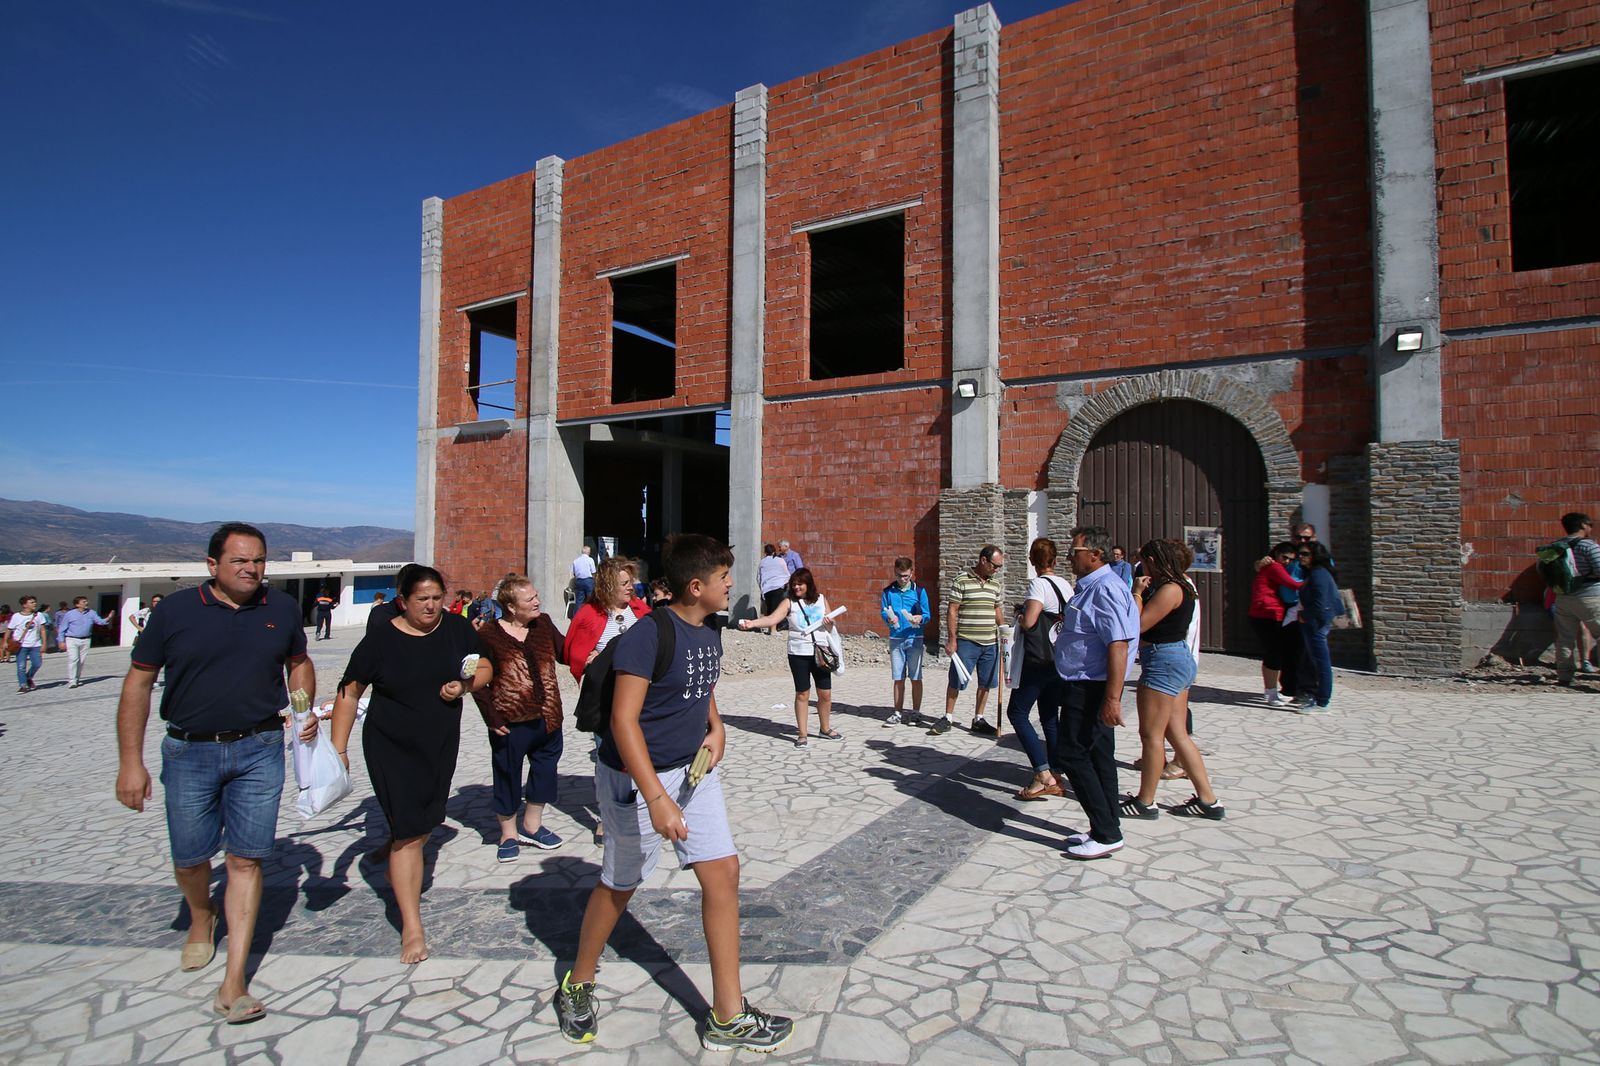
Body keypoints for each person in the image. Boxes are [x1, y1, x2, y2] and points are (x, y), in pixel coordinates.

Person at [555, 535, 794, 1053]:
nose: (732, 584)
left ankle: (727, 1016)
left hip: (693, 771)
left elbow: (701, 684)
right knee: (621, 882)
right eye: (724, 578)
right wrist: (656, 798)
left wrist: (716, 725)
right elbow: (622, 721)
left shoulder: (710, 628)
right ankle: (578, 980)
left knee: (723, 872)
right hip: (636, 778)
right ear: (695, 586)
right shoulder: (647, 635)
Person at [114, 522, 318, 1024]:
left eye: (259, 561)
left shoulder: (281, 608)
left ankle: (234, 982)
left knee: (246, 861)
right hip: (189, 752)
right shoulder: (176, 612)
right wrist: (130, 762)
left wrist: (302, 708)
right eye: (240, 561)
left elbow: (299, 662)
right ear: (213, 565)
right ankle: (201, 917)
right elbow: (138, 684)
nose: (252, 569)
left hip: (260, 747)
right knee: (189, 857)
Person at [330, 564, 493, 964]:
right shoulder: (381, 640)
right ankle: (411, 925)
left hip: (438, 743)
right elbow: (350, 692)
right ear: (402, 601)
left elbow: (486, 666)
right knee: (409, 832)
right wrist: (338, 749)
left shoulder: (456, 629)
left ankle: (397, 851)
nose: (431, 606)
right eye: (422, 599)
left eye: (437, 598)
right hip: (390, 745)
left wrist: (465, 685)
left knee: (426, 823)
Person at [1121, 539, 1225, 822]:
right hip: (1176, 659)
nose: (1141, 566)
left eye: (1144, 560)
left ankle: (1145, 801)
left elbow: (1138, 625)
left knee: (1151, 735)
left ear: (1154, 561)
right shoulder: (1185, 586)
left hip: (1163, 661)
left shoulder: (1169, 590)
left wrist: (1137, 593)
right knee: (1177, 733)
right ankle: (1208, 800)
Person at [1053, 526, 1140, 860]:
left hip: (1090, 686)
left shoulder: (1104, 588)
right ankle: (1106, 827)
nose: (1070, 557)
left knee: (1072, 753)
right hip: (1084, 682)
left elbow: (1118, 644)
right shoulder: (1092, 587)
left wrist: (1112, 698)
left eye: (1075, 552)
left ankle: (1105, 831)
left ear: (1095, 554)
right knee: (1099, 756)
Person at [472, 574, 567, 862]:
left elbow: (566, 652)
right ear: (512, 607)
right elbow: (475, 681)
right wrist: (491, 715)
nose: (538, 601)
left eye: (537, 596)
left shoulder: (544, 624)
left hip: (549, 717)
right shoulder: (487, 635)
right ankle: (508, 833)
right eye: (531, 599)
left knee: (545, 771)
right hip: (509, 721)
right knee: (507, 773)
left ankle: (532, 825)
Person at [741, 567, 842, 745]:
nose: (796, 587)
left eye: (800, 584)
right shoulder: (789, 602)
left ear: (808, 584)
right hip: (798, 653)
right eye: (794, 584)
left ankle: (825, 728)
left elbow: (830, 623)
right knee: (802, 693)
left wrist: (830, 623)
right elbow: (772, 619)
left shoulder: (821, 599)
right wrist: (752, 624)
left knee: (825, 693)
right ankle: (802, 734)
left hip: (821, 651)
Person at [1007, 538, 1072, 800]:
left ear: (1032, 561)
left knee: (1018, 713)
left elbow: (1031, 621)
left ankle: (1042, 773)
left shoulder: (1039, 584)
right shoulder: (1065, 585)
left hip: (1038, 660)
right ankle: (1056, 768)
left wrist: (1021, 615)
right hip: (1059, 657)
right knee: (1049, 716)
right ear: (1055, 560)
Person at [930, 545, 1006, 737]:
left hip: (990, 643)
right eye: (995, 566)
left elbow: (997, 609)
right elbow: (953, 610)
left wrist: (1005, 632)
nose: (996, 570)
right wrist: (952, 639)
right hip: (966, 641)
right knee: (956, 679)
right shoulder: (961, 580)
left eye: (999, 567)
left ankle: (978, 719)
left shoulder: (995, 584)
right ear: (983, 560)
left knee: (986, 682)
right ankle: (948, 717)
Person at [567, 558, 650, 682]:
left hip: (639, 681)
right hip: (605, 685)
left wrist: (604, 656)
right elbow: (577, 656)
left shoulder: (639, 607)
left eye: (630, 582)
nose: (631, 588)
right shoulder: (588, 613)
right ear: (608, 587)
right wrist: (593, 659)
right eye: (624, 584)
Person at [1249, 543, 1305, 706]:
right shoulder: (1274, 567)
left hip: (1265, 614)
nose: (1287, 561)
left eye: (1290, 559)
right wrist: (1317, 581)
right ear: (1276, 554)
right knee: (1274, 653)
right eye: (1284, 557)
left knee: (1272, 653)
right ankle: (1271, 693)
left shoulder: (1269, 566)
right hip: (1268, 614)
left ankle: (1270, 691)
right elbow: (1293, 584)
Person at [1552, 512, 1600, 686]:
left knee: (1565, 638)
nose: (1591, 528)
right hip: (1590, 596)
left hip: (1563, 598)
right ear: (1582, 525)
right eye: (1590, 524)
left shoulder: (1556, 545)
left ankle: (1564, 676)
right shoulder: (1588, 545)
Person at [880, 557, 930, 725]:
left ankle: (915, 712)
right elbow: (883, 611)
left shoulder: (919, 591)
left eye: (906, 576)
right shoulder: (888, 592)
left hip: (915, 637)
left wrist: (919, 618)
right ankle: (897, 712)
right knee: (898, 677)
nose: (902, 579)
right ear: (895, 573)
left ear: (911, 573)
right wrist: (889, 618)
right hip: (896, 638)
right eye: (899, 576)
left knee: (915, 676)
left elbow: (927, 615)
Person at [1295, 541, 1342, 712]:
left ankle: (1322, 700)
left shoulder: (1318, 574)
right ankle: (1320, 698)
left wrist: (1304, 616)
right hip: (1315, 621)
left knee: (1321, 662)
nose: (1301, 557)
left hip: (1316, 623)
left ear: (1315, 556)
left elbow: (1320, 603)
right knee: (1317, 660)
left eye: (1306, 554)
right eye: (1300, 554)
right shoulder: (1315, 573)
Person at [58, 595, 114, 688]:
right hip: (72, 639)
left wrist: (108, 617)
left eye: (86, 601)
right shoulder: (70, 614)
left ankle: (77, 678)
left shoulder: (91, 613)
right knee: (73, 659)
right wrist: (61, 641)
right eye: (83, 602)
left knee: (81, 661)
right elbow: (62, 628)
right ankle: (72, 681)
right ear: (77, 604)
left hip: (86, 639)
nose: (86, 603)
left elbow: (100, 622)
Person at [8, 596, 47, 692]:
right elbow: (9, 629)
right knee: (21, 666)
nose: (35, 604)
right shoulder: (16, 616)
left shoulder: (39, 615)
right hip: (21, 645)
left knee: (37, 664)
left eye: (35, 602)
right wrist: (5, 641)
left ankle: (28, 677)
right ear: (25, 605)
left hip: (35, 644)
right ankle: (23, 685)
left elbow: (42, 630)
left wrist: (44, 643)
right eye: (32, 602)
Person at [756, 543, 790, 633]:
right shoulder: (780, 560)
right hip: (778, 587)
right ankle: (773, 630)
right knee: (775, 608)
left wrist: (762, 587)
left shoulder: (762, 562)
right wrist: (784, 584)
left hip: (766, 588)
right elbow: (787, 574)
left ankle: (770, 628)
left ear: (765, 552)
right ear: (774, 551)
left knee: (770, 608)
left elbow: (759, 577)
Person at [572, 546, 597, 613]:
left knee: (579, 600)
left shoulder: (575, 561)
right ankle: (591, 614)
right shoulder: (590, 559)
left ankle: (576, 617)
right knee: (590, 599)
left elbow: (574, 573)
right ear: (588, 552)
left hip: (579, 581)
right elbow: (593, 572)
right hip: (588, 580)